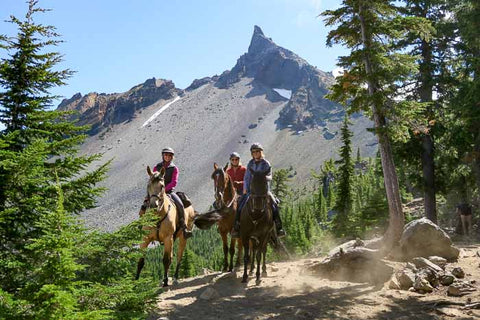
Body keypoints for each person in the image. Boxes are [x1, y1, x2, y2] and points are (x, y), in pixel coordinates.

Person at [231, 143, 286, 238]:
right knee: (240, 204)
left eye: (257, 151)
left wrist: (264, 177)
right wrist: (245, 189)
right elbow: (247, 177)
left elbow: (270, 176)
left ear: (261, 152)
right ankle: (237, 227)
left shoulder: (266, 163)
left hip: (264, 191)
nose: (255, 153)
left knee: (274, 204)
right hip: (251, 191)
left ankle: (278, 227)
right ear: (252, 153)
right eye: (253, 152)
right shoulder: (250, 164)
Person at [139, 147, 192, 239]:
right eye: (166, 155)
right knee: (144, 205)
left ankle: (184, 227)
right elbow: (152, 180)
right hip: (156, 191)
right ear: (163, 156)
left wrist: (164, 190)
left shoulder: (174, 168)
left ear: (172, 157)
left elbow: (174, 182)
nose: (167, 157)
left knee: (180, 204)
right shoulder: (157, 167)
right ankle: (140, 225)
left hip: (169, 192)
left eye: (169, 155)